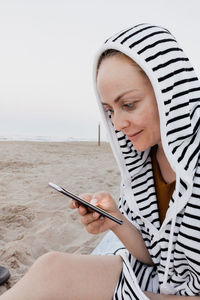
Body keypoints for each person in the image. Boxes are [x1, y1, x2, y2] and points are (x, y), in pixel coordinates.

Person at [0, 23, 199, 299]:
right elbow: (156, 257)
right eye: (109, 110)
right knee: (53, 266)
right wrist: (115, 220)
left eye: (128, 104)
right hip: (158, 281)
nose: (117, 124)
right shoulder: (144, 161)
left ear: (170, 93)